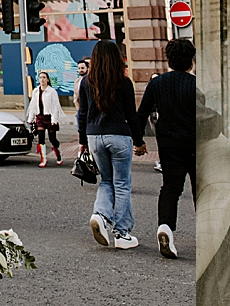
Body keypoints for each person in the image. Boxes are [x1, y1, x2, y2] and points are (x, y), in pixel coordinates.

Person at [134, 38, 197, 258]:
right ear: (190, 61)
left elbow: (141, 114)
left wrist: (139, 141)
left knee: (171, 187)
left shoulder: (157, 83)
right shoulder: (195, 84)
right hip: (194, 145)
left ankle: (165, 227)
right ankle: (208, 233)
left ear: (168, 60)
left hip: (168, 144)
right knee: (202, 190)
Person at [77, 38, 141, 249]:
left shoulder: (86, 81)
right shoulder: (124, 82)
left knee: (106, 181)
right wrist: (139, 141)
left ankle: (100, 215)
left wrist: (82, 141)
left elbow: (82, 114)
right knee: (122, 184)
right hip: (119, 135)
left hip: (94, 135)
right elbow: (132, 116)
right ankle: (122, 234)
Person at [27, 70, 64, 166]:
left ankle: (59, 155)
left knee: (52, 138)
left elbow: (55, 106)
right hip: (40, 117)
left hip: (49, 116)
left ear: (48, 80)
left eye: (44, 77)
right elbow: (33, 106)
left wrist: (54, 120)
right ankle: (43, 159)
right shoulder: (35, 91)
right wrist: (30, 119)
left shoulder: (52, 91)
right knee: (41, 138)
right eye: (40, 78)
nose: (42, 79)